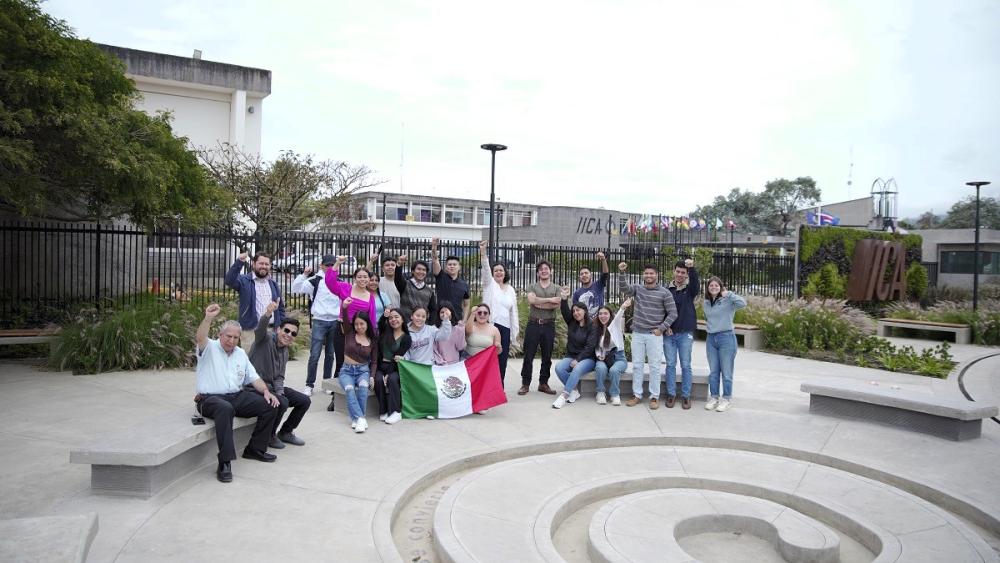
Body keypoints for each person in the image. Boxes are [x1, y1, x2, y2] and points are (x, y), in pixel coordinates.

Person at [194, 304, 280, 483]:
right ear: (220, 335)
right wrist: (208, 318)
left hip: (236, 396)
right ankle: (224, 462)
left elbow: (254, 377)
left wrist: (266, 391)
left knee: (270, 404)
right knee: (225, 409)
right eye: (228, 336)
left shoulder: (240, 353)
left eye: (235, 337)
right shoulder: (208, 347)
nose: (231, 341)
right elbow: (200, 337)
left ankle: (255, 449)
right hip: (210, 399)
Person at [248, 301, 310, 448]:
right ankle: (269, 436)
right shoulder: (265, 339)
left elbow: (279, 377)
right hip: (254, 387)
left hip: (272, 387)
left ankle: (285, 432)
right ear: (278, 329)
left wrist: (280, 392)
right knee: (282, 402)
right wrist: (268, 314)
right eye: (286, 331)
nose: (289, 335)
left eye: (293, 334)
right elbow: (259, 330)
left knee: (304, 401)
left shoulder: (285, 351)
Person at [617, 262, 678, 409]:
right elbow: (624, 288)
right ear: (644, 275)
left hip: (654, 335)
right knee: (637, 366)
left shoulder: (664, 292)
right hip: (638, 333)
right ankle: (637, 395)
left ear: (656, 275)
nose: (649, 275)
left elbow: (673, 313)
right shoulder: (638, 289)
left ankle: (654, 397)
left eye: (652, 273)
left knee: (655, 367)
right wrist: (622, 273)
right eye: (647, 273)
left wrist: (661, 329)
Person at [324, 258, 378, 411]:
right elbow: (330, 282)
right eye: (359, 277)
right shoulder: (346, 289)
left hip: (359, 335)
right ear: (355, 278)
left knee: (360, 363)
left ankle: (356, 393)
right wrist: (337, 264)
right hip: (343, 331)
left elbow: (372, 319)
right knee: (341, 362)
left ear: (369, 279)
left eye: (365, 277)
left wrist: (372, 337)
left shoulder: (370, 297)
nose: (362, 279)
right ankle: (336, 398)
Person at [290, 255, 343, 397]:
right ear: (321, 266)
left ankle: (327, 383)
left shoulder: (339, 281)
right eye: (327, 265)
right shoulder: (315, 281)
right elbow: (295, 288)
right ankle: (309, 384)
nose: (330, 268)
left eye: (332, 265)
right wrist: (304, 274)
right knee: (314, 355)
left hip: (334, 321)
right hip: (319, 320)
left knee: (330, 355)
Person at [703, 277, 746, 413]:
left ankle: (726, 399)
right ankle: (714, 397)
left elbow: (743, 303)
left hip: (726, 338)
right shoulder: (706, 302)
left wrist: (730, 294)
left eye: (716, 285)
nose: (714, 287)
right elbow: (708, 318)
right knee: (714, 371)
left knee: (726, 372)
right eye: (711, 285)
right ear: (708, 288)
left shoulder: (729, 301)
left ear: (721, 287)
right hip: (711, 339)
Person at [225, 251, 284, 351]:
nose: (264, 266)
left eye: (267, 264)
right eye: (261, 263)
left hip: (271, 330)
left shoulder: (273, 284)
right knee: (250, 362)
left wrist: (281, 326)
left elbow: (281, 308)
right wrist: (239, 262)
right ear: (254, 264)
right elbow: (229, 280)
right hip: (250, 331)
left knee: (269, 364)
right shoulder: (244, 281)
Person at [552, 288, 599, 409]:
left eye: (578, 310)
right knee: (559, 367)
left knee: (577, 369)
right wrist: (564, 298)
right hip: (571, 355)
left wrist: (578, 359)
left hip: (587, 358)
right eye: (574, 311)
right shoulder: (572, 322)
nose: (575, 313)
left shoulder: (592, 326)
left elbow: (590, 347)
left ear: (584, 311)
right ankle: (574, 390)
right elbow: (564, 310)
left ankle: (564, 395)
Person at [478, 240, 518, 383]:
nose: (499, 272)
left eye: (501, 270)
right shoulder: (490, 285)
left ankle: (499, 388)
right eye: (496, 270)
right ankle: (486, 388)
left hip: (505, 329)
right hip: (490, 327)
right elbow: (486, 270)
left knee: (502, 361)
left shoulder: (511, 290)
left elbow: (514, 313)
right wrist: (483, 254)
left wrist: (514, 334)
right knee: (488, 359)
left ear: (505, 273)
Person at [519, 261, 561, 396]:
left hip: (549, 324)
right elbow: (532, 301)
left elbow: (557, 304)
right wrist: (549, 300)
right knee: (528, 355)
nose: (544, 271)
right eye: (541, 269)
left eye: (546, 269)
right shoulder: (532, 286)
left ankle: (543, 383)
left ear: (551, 271)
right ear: (538, 272)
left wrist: (540, 302)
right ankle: (525, 384)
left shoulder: (556, 287)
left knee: (547, 356)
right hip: (534, 324)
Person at [664, 258, 699, 409]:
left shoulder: (689, 290)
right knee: (670, 365)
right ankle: (671, 394)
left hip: (685, 333)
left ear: (686, 274)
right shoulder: (666, 290)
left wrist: (692, 269)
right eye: (677, 271)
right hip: (669, 334)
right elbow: (662, 310)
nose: (679, 274)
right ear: (674, 272)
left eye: (683, 272)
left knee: (685, 365)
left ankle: (686, 396)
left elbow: (696, 285)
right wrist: (665, 326)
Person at [339, 306, 377, 433]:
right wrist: (344, 308)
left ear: (367, 324)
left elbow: (374, 361)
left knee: (363, 387)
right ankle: (361, 418)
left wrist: (372, 376)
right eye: (356, 324)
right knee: (349, 389)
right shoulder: (349, 333)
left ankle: (357, 419)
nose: (359, 327)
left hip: (363, 371)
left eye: (362, 324)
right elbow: (345, 319)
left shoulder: (372, 340)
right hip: (347, 371)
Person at [592, 299, 631, 406]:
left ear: (610, 315)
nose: (602, 316)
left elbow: (618, 317)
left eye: (605, 313)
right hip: (603, 357)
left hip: (619, 358)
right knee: (600, 368)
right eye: (600, 314)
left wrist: (623, 307)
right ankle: (600, 392)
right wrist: (599, 356)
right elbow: (595, 346)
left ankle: (614, 394)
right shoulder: (596, 328)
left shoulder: (615, 326)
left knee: (614, 370)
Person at [375, 309, 411, 425]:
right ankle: (383, 410)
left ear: (402, 319)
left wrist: (388, 373)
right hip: (381, 365)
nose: (393, 320)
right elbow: (380, 324)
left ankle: (396, 411)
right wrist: (383, 317)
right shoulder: (385, 332)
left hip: (396, 367)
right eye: (390, 318)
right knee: (378, 380)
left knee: (392, 379)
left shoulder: (406, 338)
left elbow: (397, 357)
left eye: (396, 317)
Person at [431, 237, 471, 319]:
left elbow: (466, 305)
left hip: (457, 320)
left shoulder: (464, 285)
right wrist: (434, 247)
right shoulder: (440, 276)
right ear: (445, 267)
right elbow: (435, 260)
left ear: (459, 267)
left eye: (454, 264)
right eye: (449, 264)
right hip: (440, 319)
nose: (452, 266)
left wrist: (464, 321)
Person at [393, 255, 436, 322]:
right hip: (406, 326)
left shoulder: (429, 291)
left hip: (422, 327)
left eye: (424, 270)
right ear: (413, 271)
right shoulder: (405, 284)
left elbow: (433, 310)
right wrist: (399, 264)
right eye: (418, 269)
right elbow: (397, 279)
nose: (421, 272)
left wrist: (430, 325)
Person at [573, 252, 610, 318]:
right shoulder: (577, 293)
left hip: (599, 322)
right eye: (582, 274)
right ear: (579, 278)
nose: (584, 275)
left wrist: (603, 260)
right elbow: (575, 311)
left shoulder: (598, 285)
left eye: (586, 273)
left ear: (591, 275)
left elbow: (605, 274)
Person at [433, 301, 466, 365]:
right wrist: (441, 362)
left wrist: (461, 330)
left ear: (451, 313)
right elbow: (434, 350)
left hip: (454, 364)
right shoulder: (434, 329)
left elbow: (460, 347)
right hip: (439, 364)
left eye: (447, 312)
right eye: (442, 312)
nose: (444, 314)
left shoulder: (457, 328)